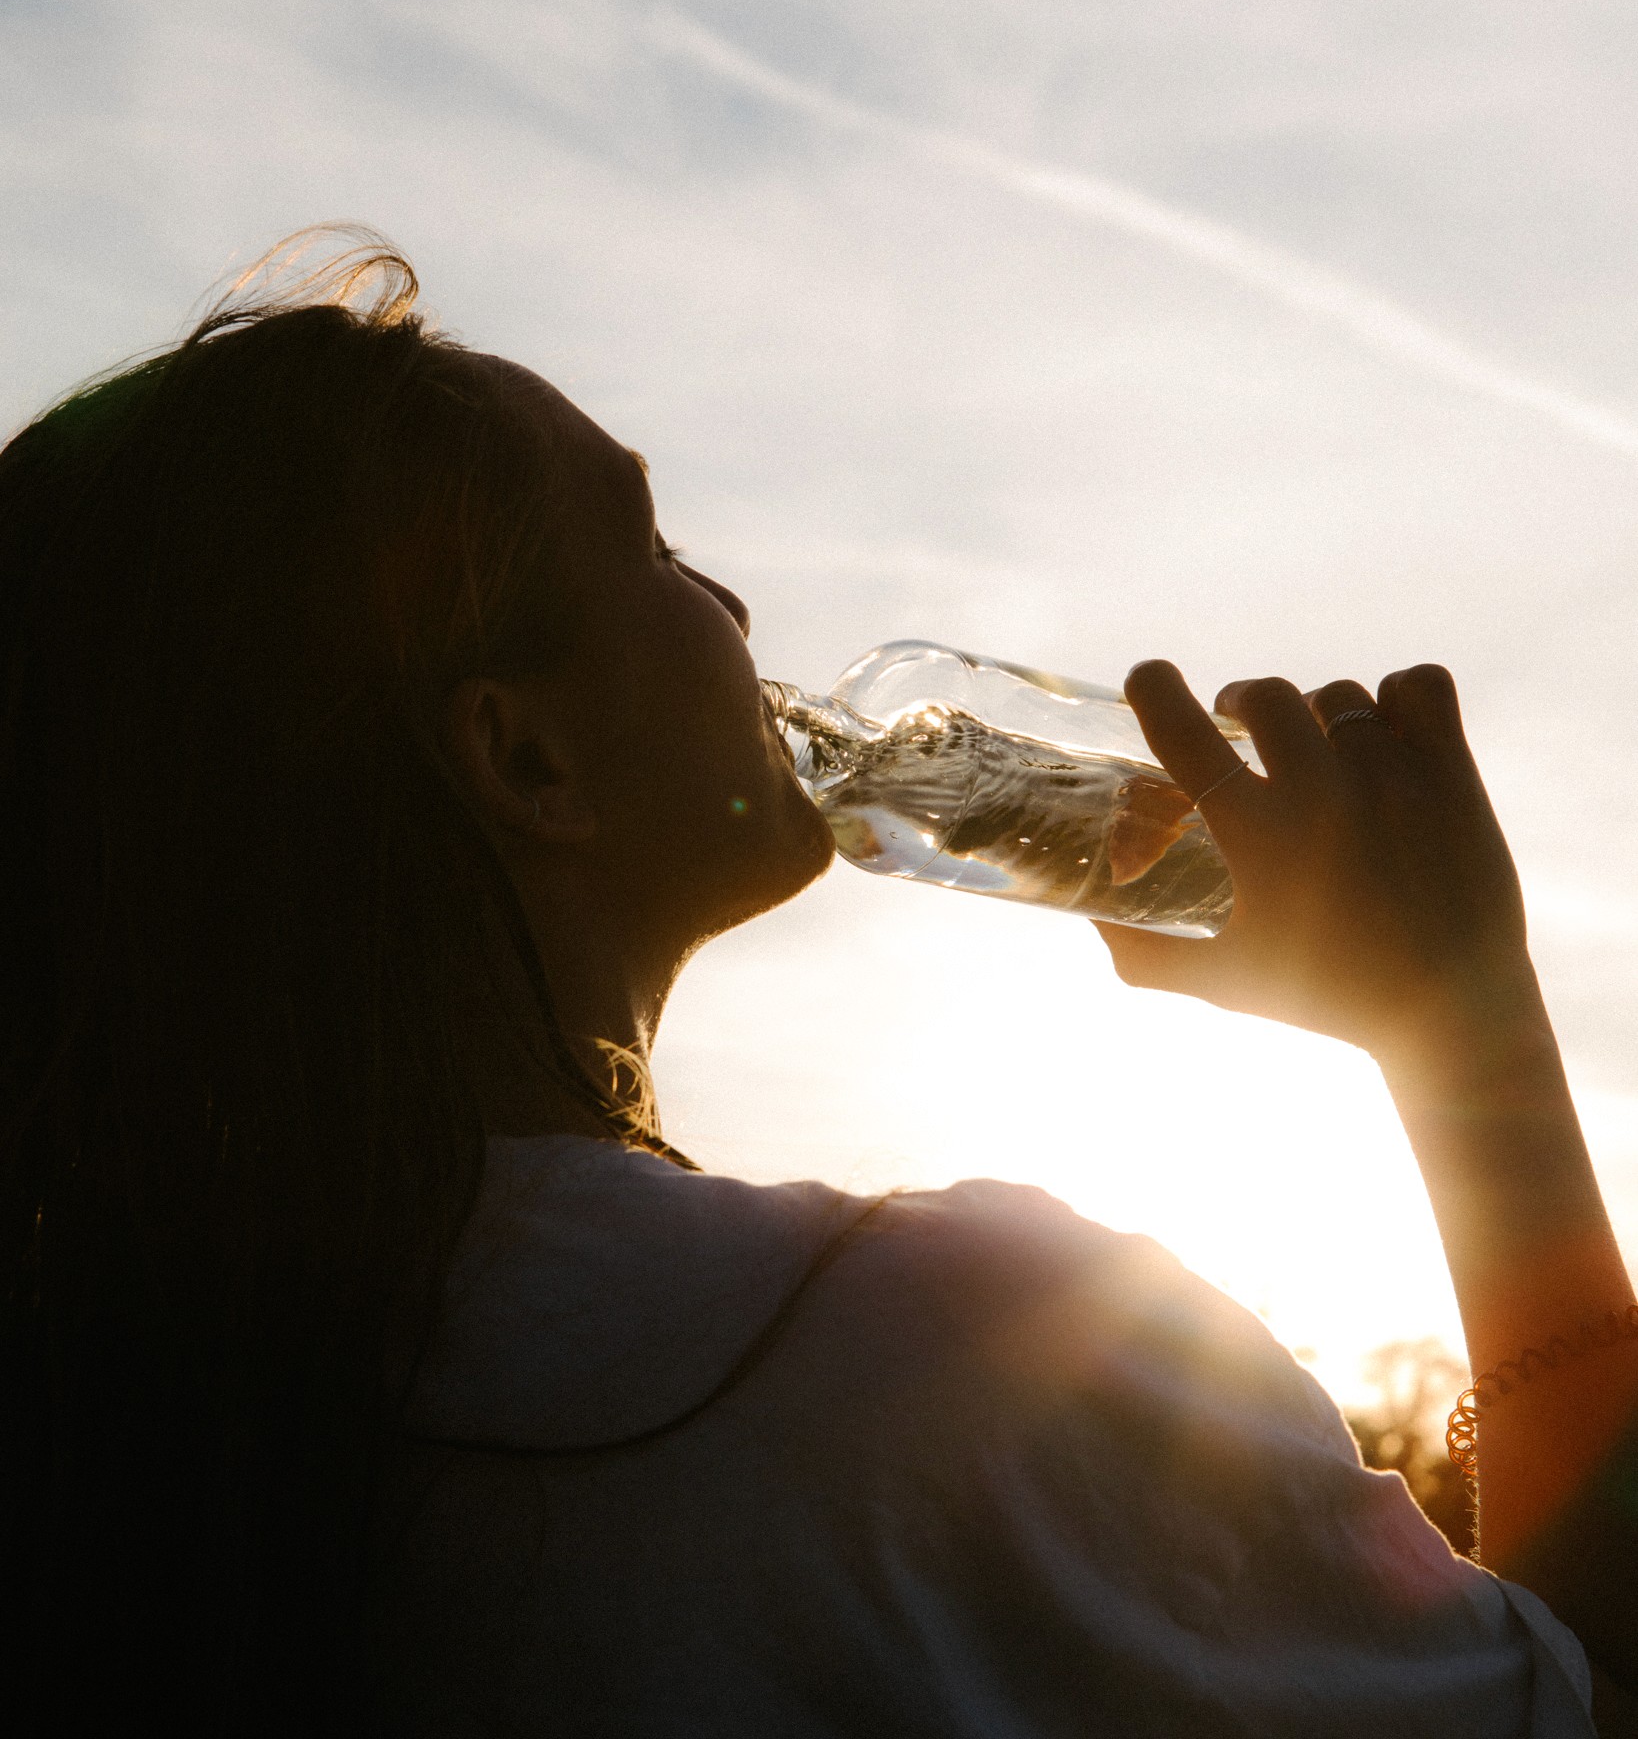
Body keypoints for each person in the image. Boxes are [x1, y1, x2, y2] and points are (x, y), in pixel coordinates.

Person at [0, 228, 1630, 1735]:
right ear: (526, 756)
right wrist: (1465, 1035)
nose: (733, 607)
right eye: (653, 546)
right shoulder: (937, 1366)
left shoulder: (115, 1409)